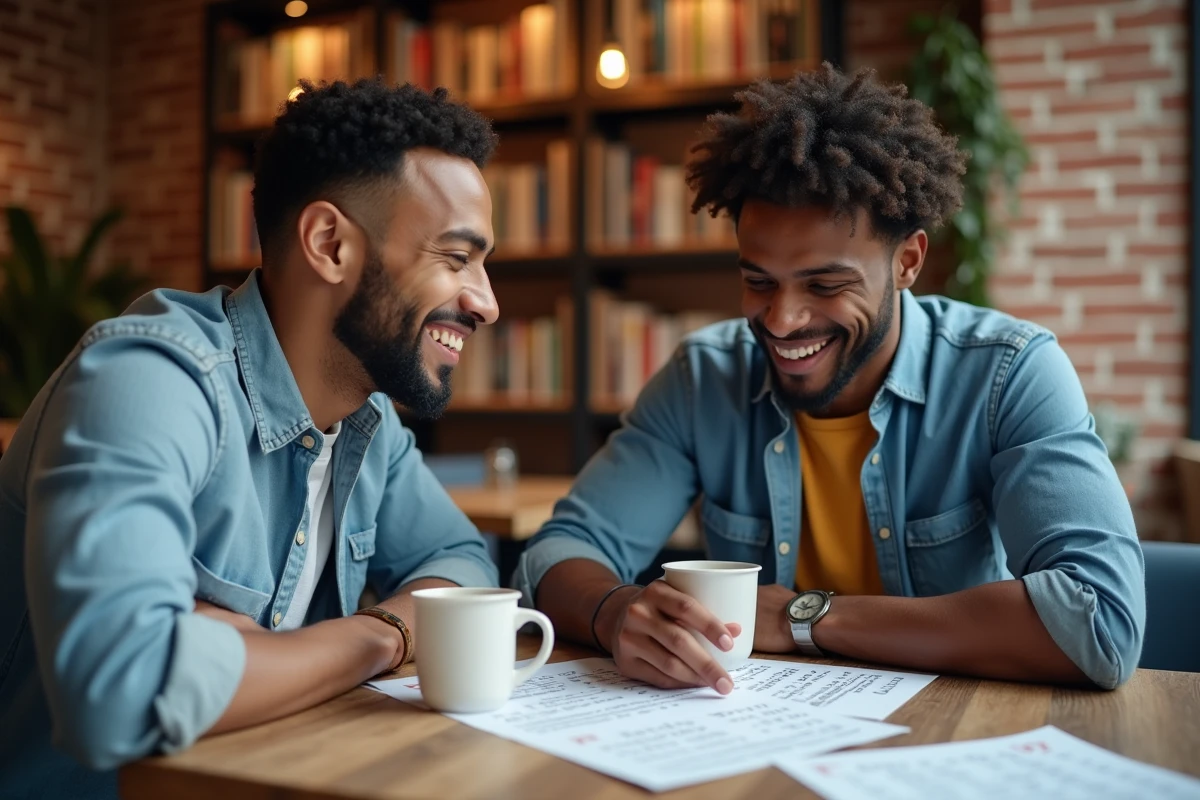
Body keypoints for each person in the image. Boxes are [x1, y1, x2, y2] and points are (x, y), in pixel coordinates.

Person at [515, 64, 1144, 696]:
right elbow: (557, 554)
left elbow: (1100, 621)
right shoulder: (702, 378)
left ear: (908, 261)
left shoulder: (1007, 373)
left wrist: (804, 618)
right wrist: (618, 612)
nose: (783, 320)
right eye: (758, 281)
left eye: (825, 285)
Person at [0, 78, 502, 799]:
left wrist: (376, 630)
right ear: (330, 244)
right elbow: (119, 692)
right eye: (457, 258)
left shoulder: (370, 423)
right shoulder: (147, 380)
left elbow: (460, 562)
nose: (486, 301)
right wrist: (378, 637)